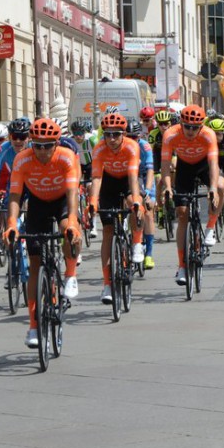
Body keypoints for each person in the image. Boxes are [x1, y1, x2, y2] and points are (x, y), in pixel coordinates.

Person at [4, 119, 82, 347]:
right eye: (37, 145)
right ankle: (33, 326)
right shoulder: (22, 159)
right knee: (35, 264)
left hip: (61, 202)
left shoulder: (67, 157)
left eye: (47, 146)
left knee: (67, 229)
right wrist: (12, 224)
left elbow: (72, 194)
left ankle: (70, 274)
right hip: (37, 204)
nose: (42, 151)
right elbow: (16, 196)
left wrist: (74, 223)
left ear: (56, 144)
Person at [87, 112, 144, 304]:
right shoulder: (99, 149)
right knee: (108, 232)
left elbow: (134, 177)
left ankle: (136, 242)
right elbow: (96, 178)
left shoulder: (132, 146)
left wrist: (136, 200)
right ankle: (107, 284)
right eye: (107, 134)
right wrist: (93, 202)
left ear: (124, 134)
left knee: (136, 206)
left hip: (128, 181)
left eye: (116, 134)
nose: (111, 139)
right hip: (109, 184)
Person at [161, 105, 220, 285]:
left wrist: (213, 188)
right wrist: (168, 187)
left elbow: (213, 164)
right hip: (184, 168)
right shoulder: (170, 134)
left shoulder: (208, 134)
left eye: (195, 127)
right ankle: (182, 265)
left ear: (201, 126)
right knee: (182, 213)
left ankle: (210, 227)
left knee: (222, 185)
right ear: (181, 123)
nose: (191, 131)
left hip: (203, 165)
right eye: (187, 126)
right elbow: (164, 165)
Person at [126, 119, 157, 269]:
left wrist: (149, 193)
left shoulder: (144, 146)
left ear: (139, 136)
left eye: (135, 137)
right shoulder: (120, 146)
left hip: (144, 176)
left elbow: (150, 170)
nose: (132, 140)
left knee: (149, 212)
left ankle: (149, 254)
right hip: (127, 177)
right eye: (128, 137)